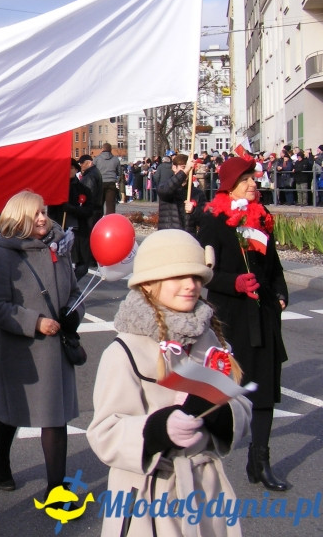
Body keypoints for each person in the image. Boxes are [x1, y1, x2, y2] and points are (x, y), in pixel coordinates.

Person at [87, 229, 252, 537]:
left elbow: (241, 407)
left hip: (205, 495)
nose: (191, 285)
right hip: (148, 499)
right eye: (178, 277)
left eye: (196, 277)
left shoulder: (209, 338)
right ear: (149, 284)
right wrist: (158, 428)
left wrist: (221, 414)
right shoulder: (123, 351)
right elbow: (104, 433)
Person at [197, 156, 291, 490]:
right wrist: (233, 282)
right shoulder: (213, 222)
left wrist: (279, 292)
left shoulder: (262, 219)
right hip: (231, 318)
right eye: (247, 179)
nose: (254, 183)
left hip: (262, 315)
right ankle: (198, 460)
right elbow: (206, 272)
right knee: (223, 394)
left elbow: (274, 265)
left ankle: (260, 460)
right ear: (230, 184)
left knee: (264, 390)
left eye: (255, 178)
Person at [0, 190, 83, 497]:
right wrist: (34, 322)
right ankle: (2, 459)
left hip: (55, 350)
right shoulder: (3, 253)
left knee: (55, 415)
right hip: (19, 351)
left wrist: (73, 315)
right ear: (21, 217)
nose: (44, 218)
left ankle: (56, 486)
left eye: (44, 211)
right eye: (36, 213)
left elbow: (76, 292)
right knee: (11, 413)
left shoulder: (58, 247)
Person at [156, 154, 205, 234]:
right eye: (183, 167)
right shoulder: (165, 186)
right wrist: (185, 171)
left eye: (190, 168)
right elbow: (166, 191)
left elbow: (204, 220)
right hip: (169, 238)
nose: (188, 171)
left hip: (188, 239)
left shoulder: (197, 193)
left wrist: (194, 210)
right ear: (174, 167)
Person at [94, 142, 121, 214]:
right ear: (111, 150)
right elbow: (119, 173)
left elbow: (93, 171)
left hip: (100, 183)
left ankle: (99, 221)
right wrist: (116, 180)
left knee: (99, 204)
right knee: (110, 205)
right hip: (111, 183)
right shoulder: (116, 159)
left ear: (102, 149)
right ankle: (110, 221)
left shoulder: (97, 159)